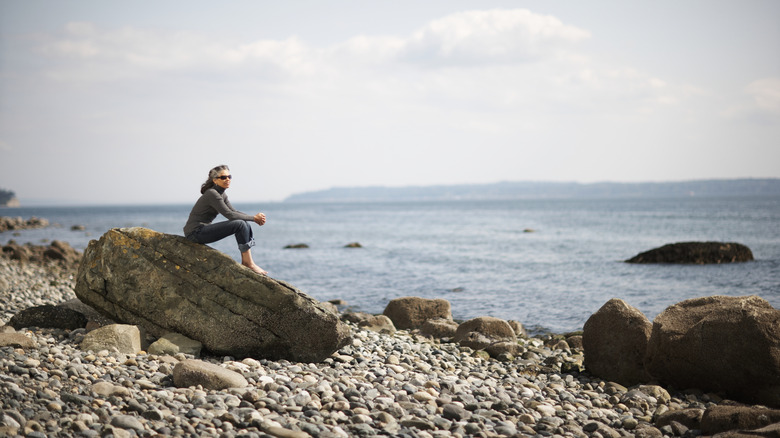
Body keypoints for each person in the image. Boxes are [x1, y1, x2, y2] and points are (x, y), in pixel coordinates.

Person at [183, 164, 268, 275]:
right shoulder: (212, 193)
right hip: (195, 232)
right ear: (215, 180)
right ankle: (248, 263)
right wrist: (254, 218)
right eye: (223, 177)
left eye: (229, 177)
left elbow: (234, 212)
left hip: (201, 230)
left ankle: (248, 262)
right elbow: (230, 215)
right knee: (240, 224)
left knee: (243, 223)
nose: (227, 179)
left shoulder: (222, 194)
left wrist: (254, 217)